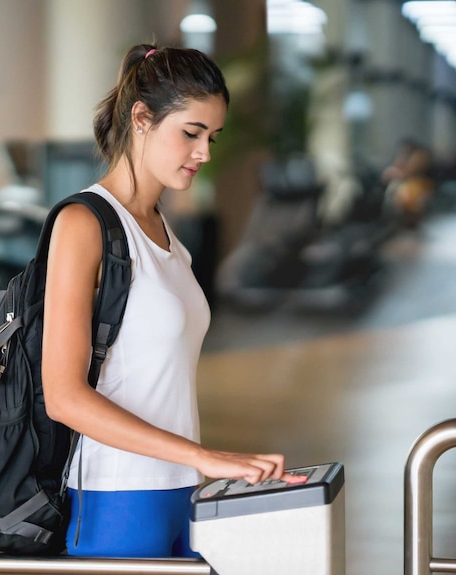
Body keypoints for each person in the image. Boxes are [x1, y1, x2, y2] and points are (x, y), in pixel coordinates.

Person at [41, 43, 304, 558]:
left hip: (178, 491)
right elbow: (64, 395)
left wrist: (199, 465)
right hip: (114, 495)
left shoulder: (164, 232)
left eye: (212, 136)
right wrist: (205, 456)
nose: (205, 152)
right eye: (191, 132)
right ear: (142, 118)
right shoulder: (84, 224)